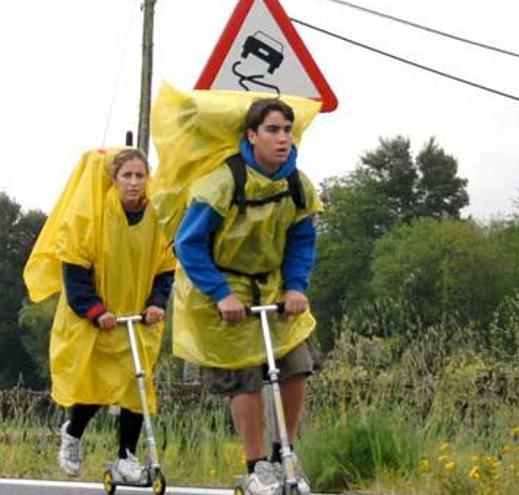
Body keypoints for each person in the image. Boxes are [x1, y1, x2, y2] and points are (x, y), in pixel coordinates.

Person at [170, 97, 322, 495]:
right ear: (251, 135)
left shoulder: (297, 185)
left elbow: (302, 240)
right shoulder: (223, 183)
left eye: (287, 130)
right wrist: (221, 294)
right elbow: (188, 244)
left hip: (273, 283)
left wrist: (295, 286)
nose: (282, 138)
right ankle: (255, 465)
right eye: (272, 130)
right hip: (222, 284)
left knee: (297, 363)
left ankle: (282, 453)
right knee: (244, 373)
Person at [23, 148, 176, 483]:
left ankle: (127, 456)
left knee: (136, 386)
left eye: (140, 176)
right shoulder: (92, 216)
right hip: (96, 316)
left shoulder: (157, 217)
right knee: (95, 386)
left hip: (137, 317)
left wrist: (157, 302)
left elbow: (166, 268)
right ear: (114, 179)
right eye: (127, 176)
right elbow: (74, 270)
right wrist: (94, 309)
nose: (134, 183)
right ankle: (73, 433)